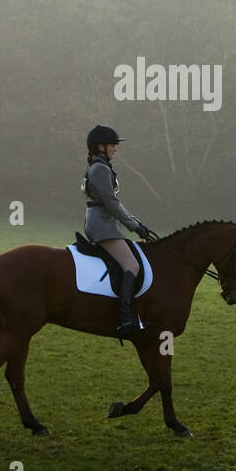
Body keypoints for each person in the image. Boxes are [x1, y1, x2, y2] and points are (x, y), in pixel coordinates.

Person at [82, 125, 151, 334]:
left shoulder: (99, 166)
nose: (115, 149)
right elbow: (112, 203)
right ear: (100, 147)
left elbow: (114, 204)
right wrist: (134, 226)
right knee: (132, 264)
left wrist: (136, 222)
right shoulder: (101, 169)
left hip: (101, 222)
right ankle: (126, 317)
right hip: (102, 225)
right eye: (112, 145)